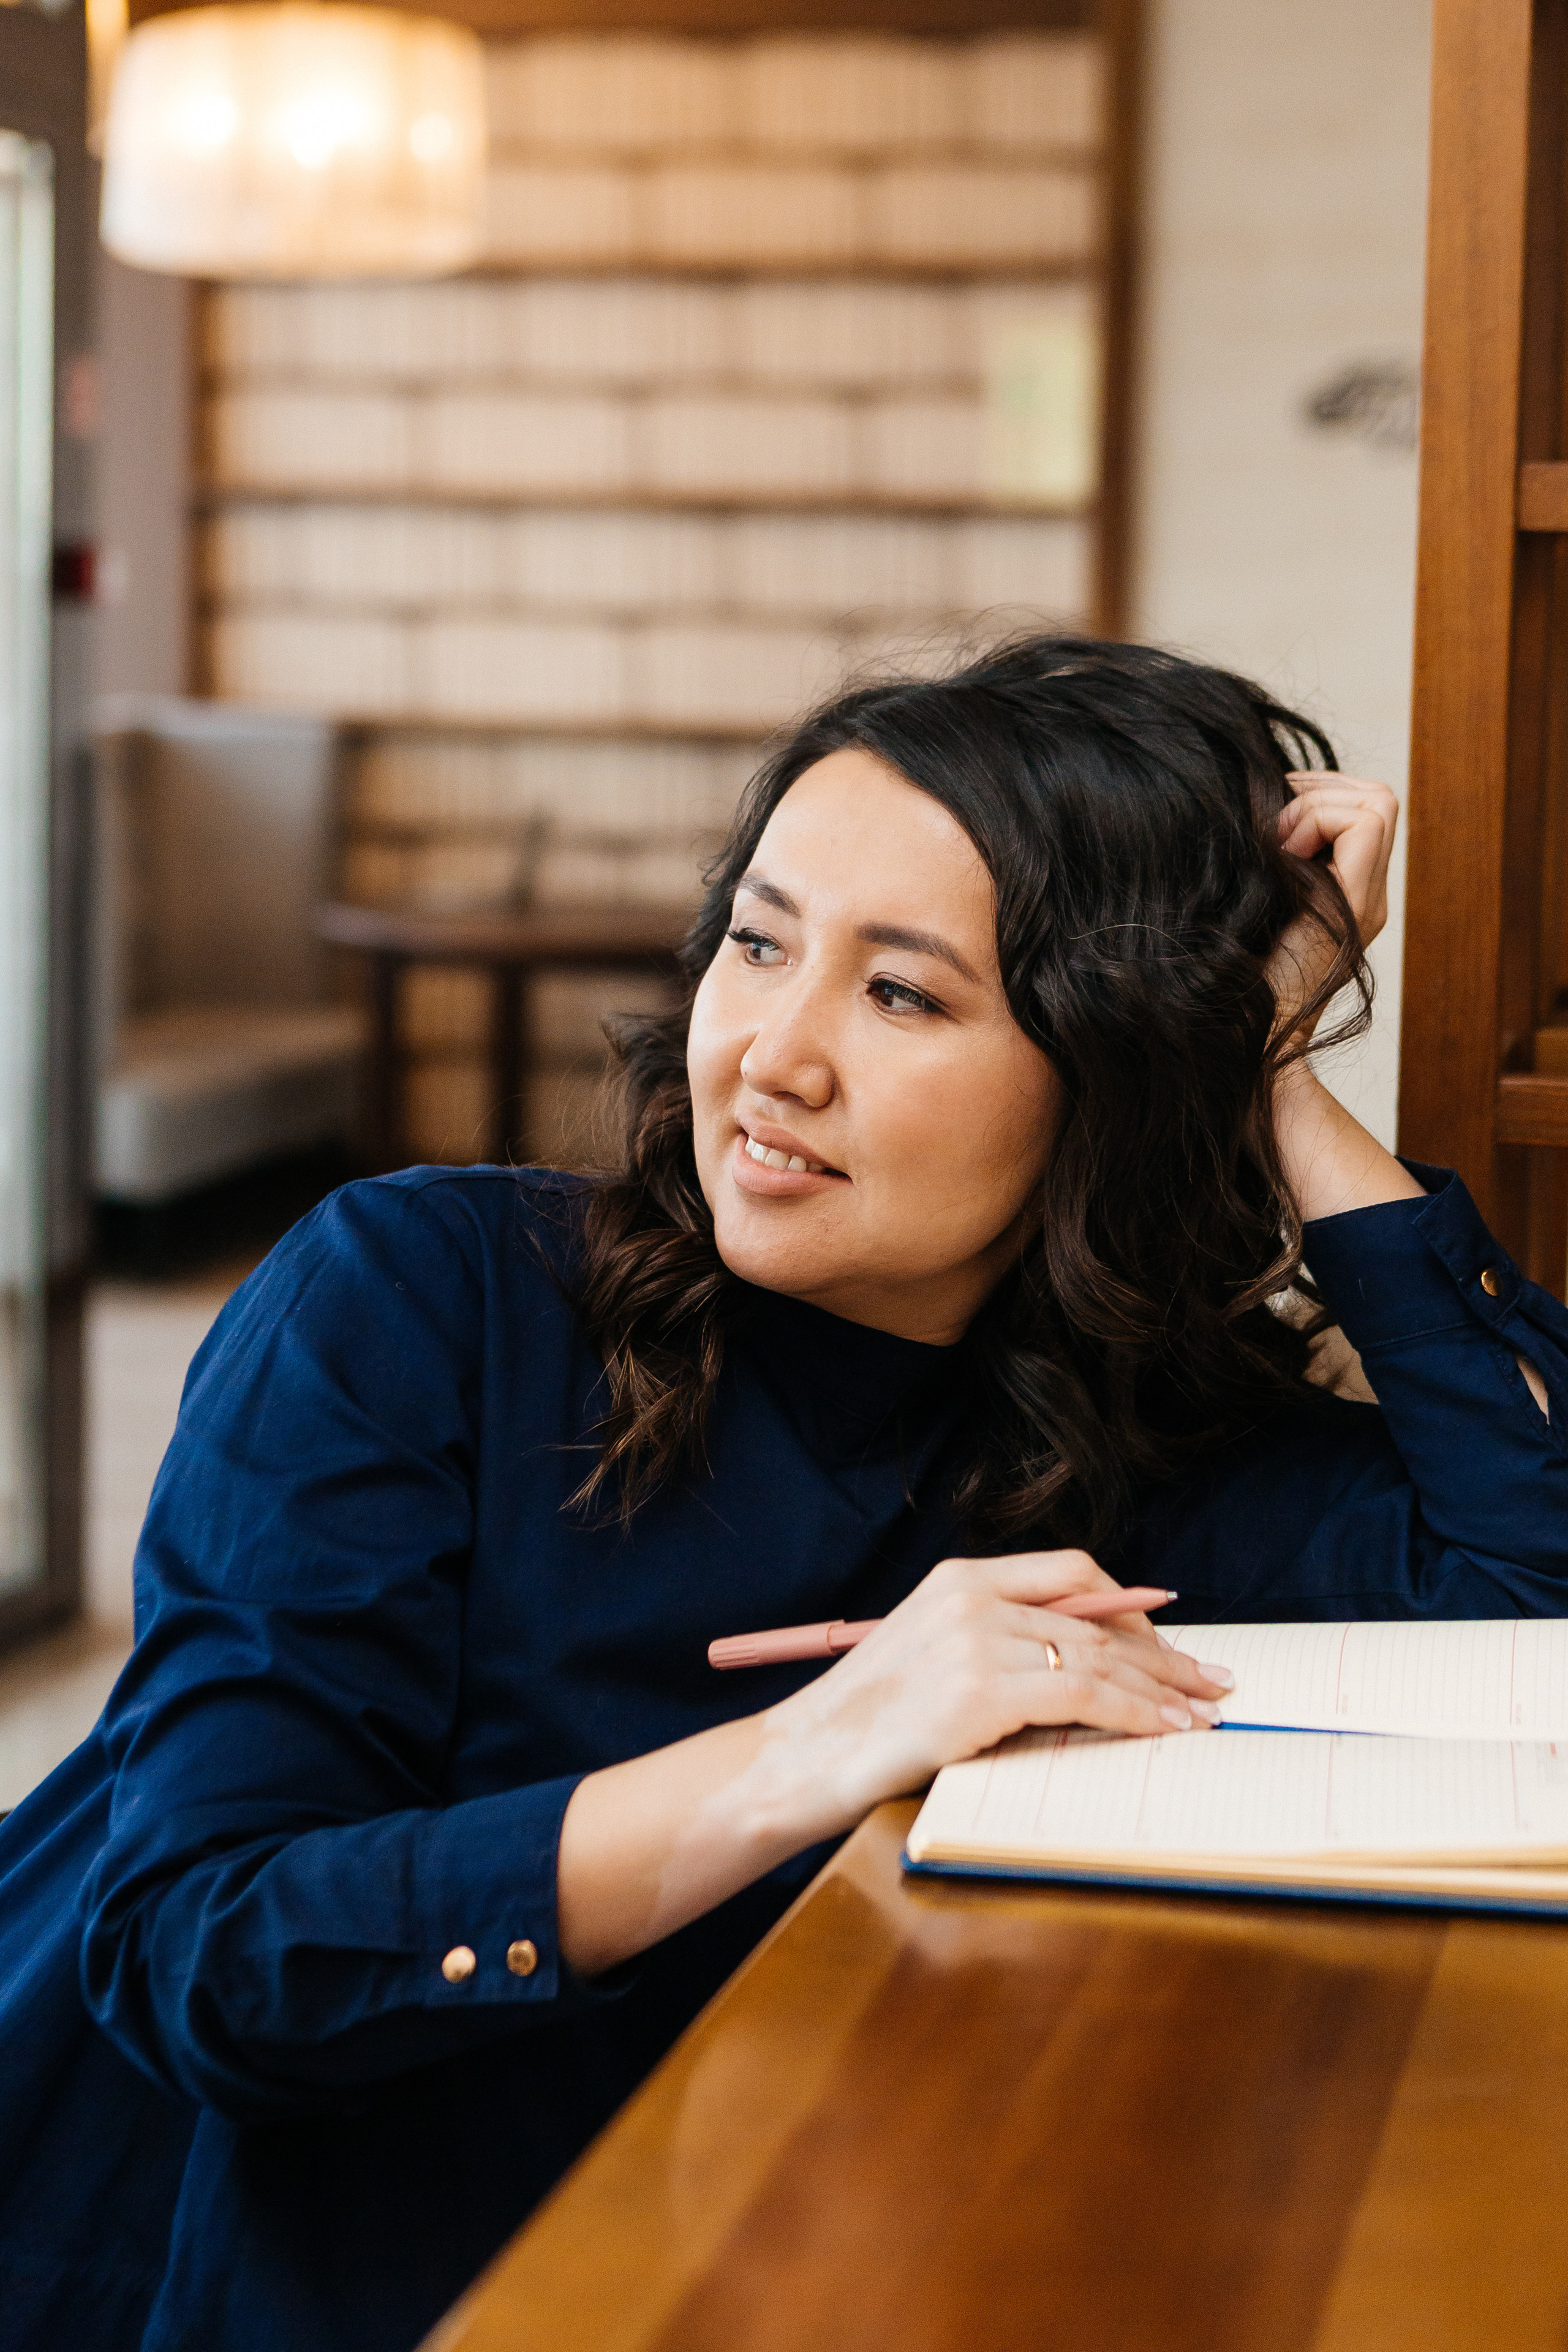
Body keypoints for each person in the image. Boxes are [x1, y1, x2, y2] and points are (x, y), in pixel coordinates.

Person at [2, 636, 1564, 2352]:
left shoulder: (1132, 1460)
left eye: (902, 995)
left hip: (760, 2234)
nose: (770, 1057)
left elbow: (1535, 1574)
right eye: (757, 943)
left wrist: (1268, 1076)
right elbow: (206, 1956)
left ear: (1113, 1069)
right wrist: (820, 1744)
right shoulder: (419, 1294)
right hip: (274, 2270)